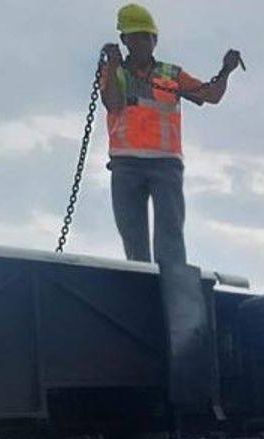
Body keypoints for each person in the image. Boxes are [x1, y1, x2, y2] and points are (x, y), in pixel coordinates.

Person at [99, 4, 242, 265]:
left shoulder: (172, 74)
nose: (142, 42)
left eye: (147, 37)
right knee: (133, 238)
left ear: (155, 40)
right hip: (126, 164)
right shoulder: (113, 71)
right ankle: (141, 285)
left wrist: (226, 71)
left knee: (170, 234)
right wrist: (113, 64)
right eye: (136, 36)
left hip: (165, 164)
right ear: (124, 40)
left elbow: (210, 95)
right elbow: (113, 104)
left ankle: (173, 285)